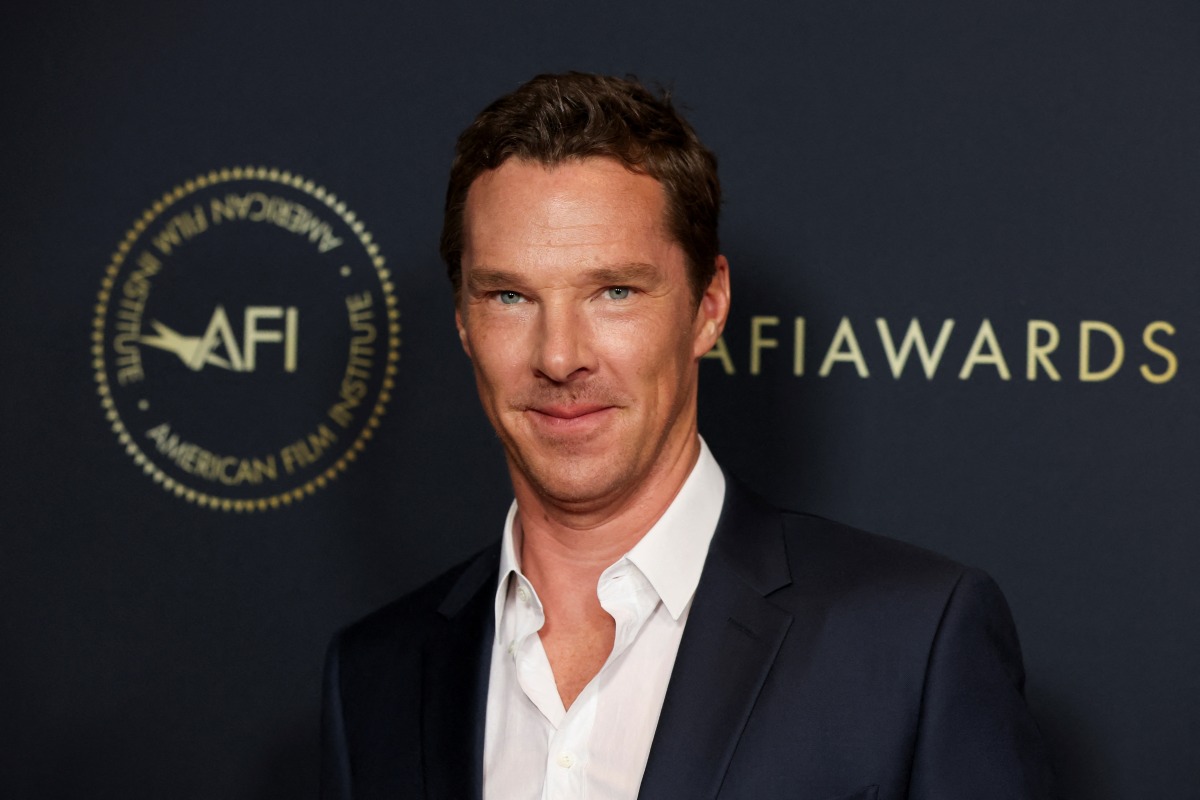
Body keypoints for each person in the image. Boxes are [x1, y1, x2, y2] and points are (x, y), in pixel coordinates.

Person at [320, 72, 1057, 800]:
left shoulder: (911, 641)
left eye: (615, 292)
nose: (558, 356)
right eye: (509, 297)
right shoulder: (376, 672)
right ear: (463, 323)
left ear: (708, 307)